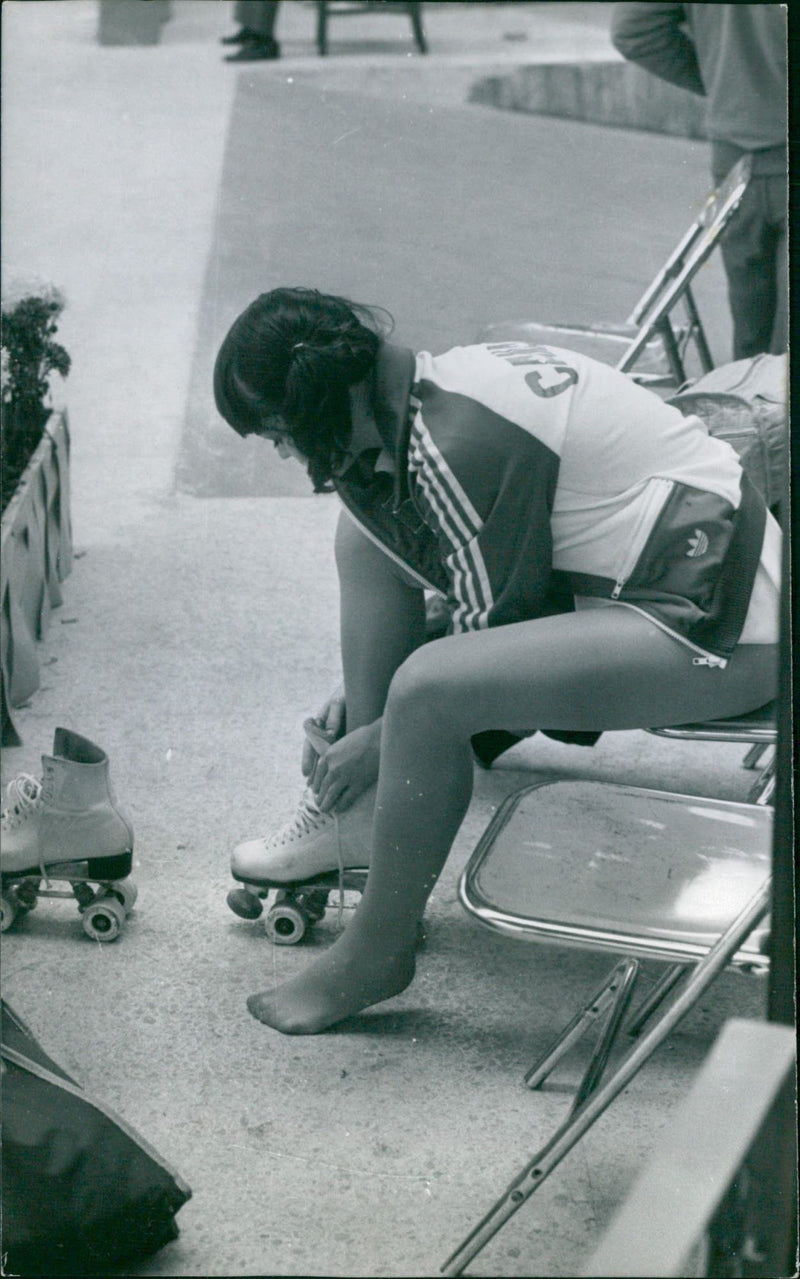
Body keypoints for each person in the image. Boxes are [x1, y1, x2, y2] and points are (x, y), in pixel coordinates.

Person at [213, 286, 780, 1035]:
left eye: (282, 433)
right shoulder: (433, 385)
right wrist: (369, 718)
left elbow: (477, 674)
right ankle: (360, 820)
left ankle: (377, 951)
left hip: (723, 630)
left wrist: (374, 739)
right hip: (670, 581)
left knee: (428, 689)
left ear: (323, 403)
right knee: (365, 537)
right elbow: (489, 591)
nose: (286, 452)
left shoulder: (459, 443)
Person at [610, 3, 788, 362]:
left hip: (735, 154)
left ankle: (748, 415)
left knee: (751, 336)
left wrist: (724, 82)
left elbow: (632, 29)